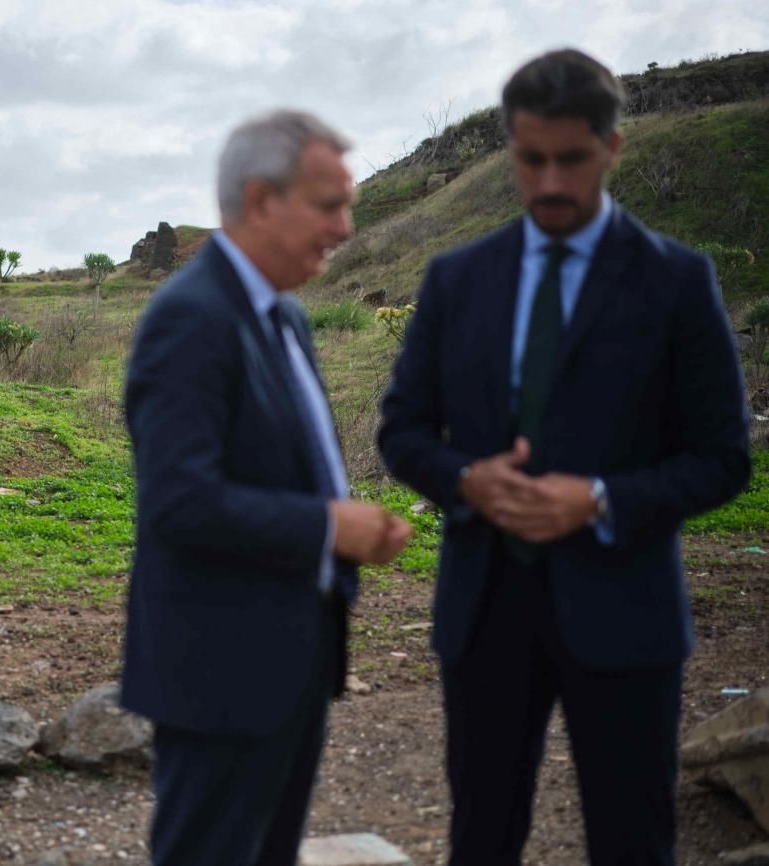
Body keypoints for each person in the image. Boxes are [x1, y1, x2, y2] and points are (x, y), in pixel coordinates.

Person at [378, 48, 751, 866]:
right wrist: (464, 478)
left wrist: (602, 499)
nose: (550, 182)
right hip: (484, 614)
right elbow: (402, 430)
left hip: (626, 614)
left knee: (632, 841)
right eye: (531, 159)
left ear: (612, 149)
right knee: (483, 836)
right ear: (510, 150)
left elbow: (724, 458)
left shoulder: (678, 282)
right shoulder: (455, 280)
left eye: (572, 160)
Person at [122, 109, 413, 866]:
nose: (346, 227)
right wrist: (329, 529)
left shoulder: (283, 315)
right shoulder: (189, 318)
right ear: (259, 201)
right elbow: (180, 502)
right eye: (328, 205)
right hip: (220, 672)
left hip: (289, 660)